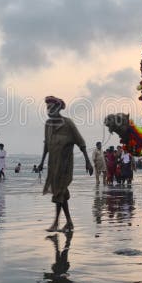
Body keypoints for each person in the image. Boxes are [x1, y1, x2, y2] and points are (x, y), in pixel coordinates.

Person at [37, 96, 93, 233]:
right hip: (52, 165)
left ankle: (56, 222)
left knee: (58, 193)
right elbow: (46, 144)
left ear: (58, 109)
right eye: (47, 108)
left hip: (65, 165)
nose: (49, 110)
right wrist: (41, 162)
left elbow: (81, 142)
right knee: (60, 193)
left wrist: (88, 161)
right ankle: (69, 222)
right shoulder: (48, 125)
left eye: (51, 108)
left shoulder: (68, 124)